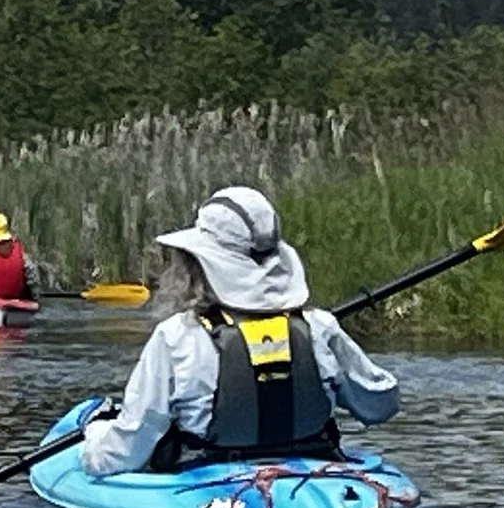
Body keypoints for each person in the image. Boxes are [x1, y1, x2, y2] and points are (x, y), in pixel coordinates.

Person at [82, 185, 397, 477]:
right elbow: (380, 405)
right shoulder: (319, 327)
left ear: (198, 265)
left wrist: (94, 440)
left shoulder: (176, 336)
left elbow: (132, 444)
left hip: (208, 480)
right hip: (310, 471)